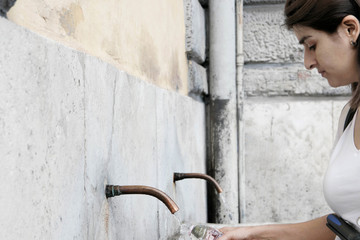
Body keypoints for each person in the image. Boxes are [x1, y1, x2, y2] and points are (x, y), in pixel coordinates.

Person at [218, 0, 360, 239]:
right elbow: (344, 227)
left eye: (312, 45)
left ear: (350, 29)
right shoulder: (349, 116)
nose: (308, 62)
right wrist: (253, 233)